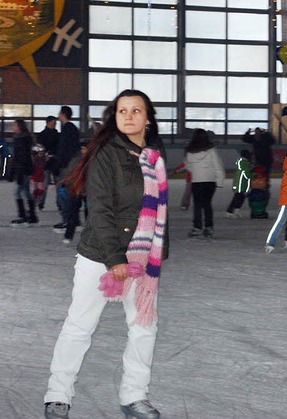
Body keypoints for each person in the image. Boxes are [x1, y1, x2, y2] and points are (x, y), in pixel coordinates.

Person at [44, 89, 169, 419]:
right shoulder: (105, 154)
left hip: (142, 260)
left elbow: (158, 211)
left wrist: (154, 257)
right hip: (100, 255)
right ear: (115, 117)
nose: (128, 116)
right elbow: (99, 209)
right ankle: (58, 394)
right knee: (79, 326)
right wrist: (115, 259)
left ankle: (134, 396)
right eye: (122, 111)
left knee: (144, 327)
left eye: (136, 110)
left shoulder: (155, 157)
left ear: (148, 117)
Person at [184, 128, 226, 238]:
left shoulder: (189, 151)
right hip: (210, 181)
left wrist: (196, 171)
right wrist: (220, 180)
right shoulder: (211, 150)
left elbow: (188, 165)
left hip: (197, 180)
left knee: (197, 205)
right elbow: (218, 165)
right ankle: (209, 227)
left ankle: (197, 227)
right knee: (207, 204)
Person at [53, 106, 80, 232]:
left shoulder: (67, 129)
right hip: (72, 165)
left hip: (67, 167)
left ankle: (68, 221)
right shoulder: (73, 128)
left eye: (59, 113)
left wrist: (58, 165)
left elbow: (63, 150)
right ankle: (73, 220)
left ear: (63, 114)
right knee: (70, 193)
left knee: (63, 193)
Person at [9, 119, 37, 226]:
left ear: (19, 126)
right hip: (23, 169)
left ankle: (23, 216)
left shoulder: (22, 139)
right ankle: (32, 216)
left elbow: (21, 158)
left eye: (14, 125)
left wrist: (18, 173)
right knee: (26, 192)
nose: (13, 127)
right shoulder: (21, 138)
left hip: (23, 170)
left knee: (17, 192)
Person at [61, 141, 88, 245]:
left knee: (90, 215)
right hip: (76, 189)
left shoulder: (93, 160)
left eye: (85, 149)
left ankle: (89, 237)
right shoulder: (76, 160)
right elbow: (70, 174)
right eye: (83, 149)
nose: (84, 151)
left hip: (88, 190)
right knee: (72, 214)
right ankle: (69, 235)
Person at [37, 115, 59, 210]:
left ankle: (42, 203)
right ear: (48, 123)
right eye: (53, 123)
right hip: (50, 162)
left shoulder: (42, 135)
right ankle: (42, 203)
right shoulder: (56, 135)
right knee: (47, 184)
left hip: (51, 162)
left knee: (47, 184)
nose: (54, 124)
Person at [226, 149, 252, 218]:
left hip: (241, 184)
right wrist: (253, 175)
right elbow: (247, 174)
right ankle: (230, 211)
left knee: (240, 198)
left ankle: (236, 211)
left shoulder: (243, 162)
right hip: (240, 184)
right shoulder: (244, 163)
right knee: (237, 198)